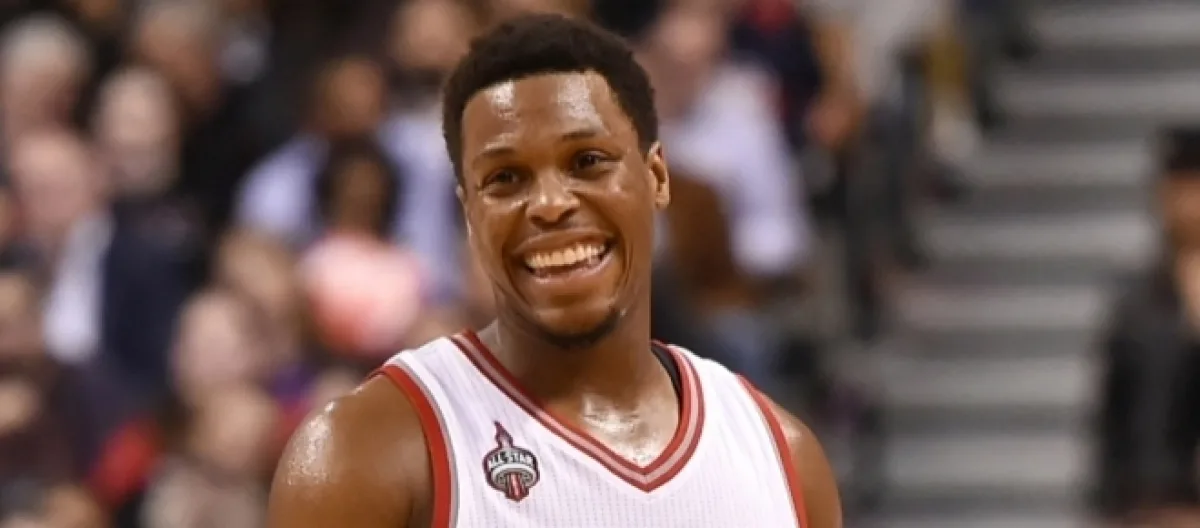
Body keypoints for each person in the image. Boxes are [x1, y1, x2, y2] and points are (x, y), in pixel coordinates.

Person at [268, 14, 841, 528]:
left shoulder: (781, 456)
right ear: (469, 213)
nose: (548, 204)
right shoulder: (365, 452)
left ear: (657, 178)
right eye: (505, 178)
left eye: (587, 162)